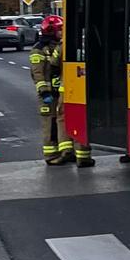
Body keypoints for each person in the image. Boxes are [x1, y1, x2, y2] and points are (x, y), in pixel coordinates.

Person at [30, 16, 93, 168]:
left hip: (60, 90)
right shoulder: (39, 50)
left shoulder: (59, 46)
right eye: (59, 30)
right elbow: (38, 74)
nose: (62, 32)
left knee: (64, 121)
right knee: (50, 124)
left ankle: (67, 153)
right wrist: (45, 92)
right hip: (48, 93)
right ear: (51, 31)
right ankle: (52, 155)